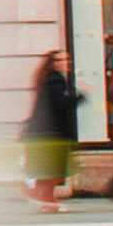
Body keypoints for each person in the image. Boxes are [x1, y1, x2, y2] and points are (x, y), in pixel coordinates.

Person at [22, 51, 80, 213]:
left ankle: (48, 201)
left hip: (45, 133)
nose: (67, 62)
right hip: (50, 134)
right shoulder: (55, 80)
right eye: (62, 59)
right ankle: (46, 201)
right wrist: (79, 97)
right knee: (52, 172)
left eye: (68, 58)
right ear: (54, 63)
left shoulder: (49, 80)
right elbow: (61, 104)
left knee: (50, 172)